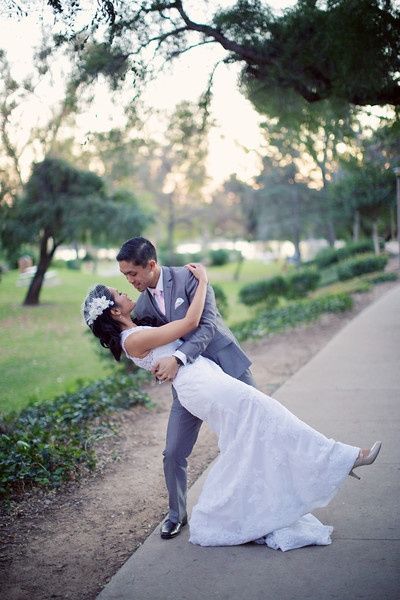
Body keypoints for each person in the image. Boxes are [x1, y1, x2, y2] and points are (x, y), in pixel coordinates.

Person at [82, 263, 381, 551]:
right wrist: (204, 281)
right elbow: (189, 323)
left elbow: (194, 331)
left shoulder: (137, 326)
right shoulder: (133, 338)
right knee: (268, 415)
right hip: (200, 385)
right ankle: (343, 458)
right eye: (118, 292)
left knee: (249, 436)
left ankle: (284, 491)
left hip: (206, 374)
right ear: (115, 311)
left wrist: (170, 358)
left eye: (129, 275)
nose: (125, 288)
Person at [116, 237, 256, 540]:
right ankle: (176, 515)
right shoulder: (141, 306)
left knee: (254, 430)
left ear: (151, 265)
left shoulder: (190, 277)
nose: (130, 281)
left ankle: (256, 506)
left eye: (133, 274)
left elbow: (206, 325)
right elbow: (146, 345)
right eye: (125, 276)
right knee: (173, 452)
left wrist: (178, 359)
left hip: (226, 366)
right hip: (190, 386)